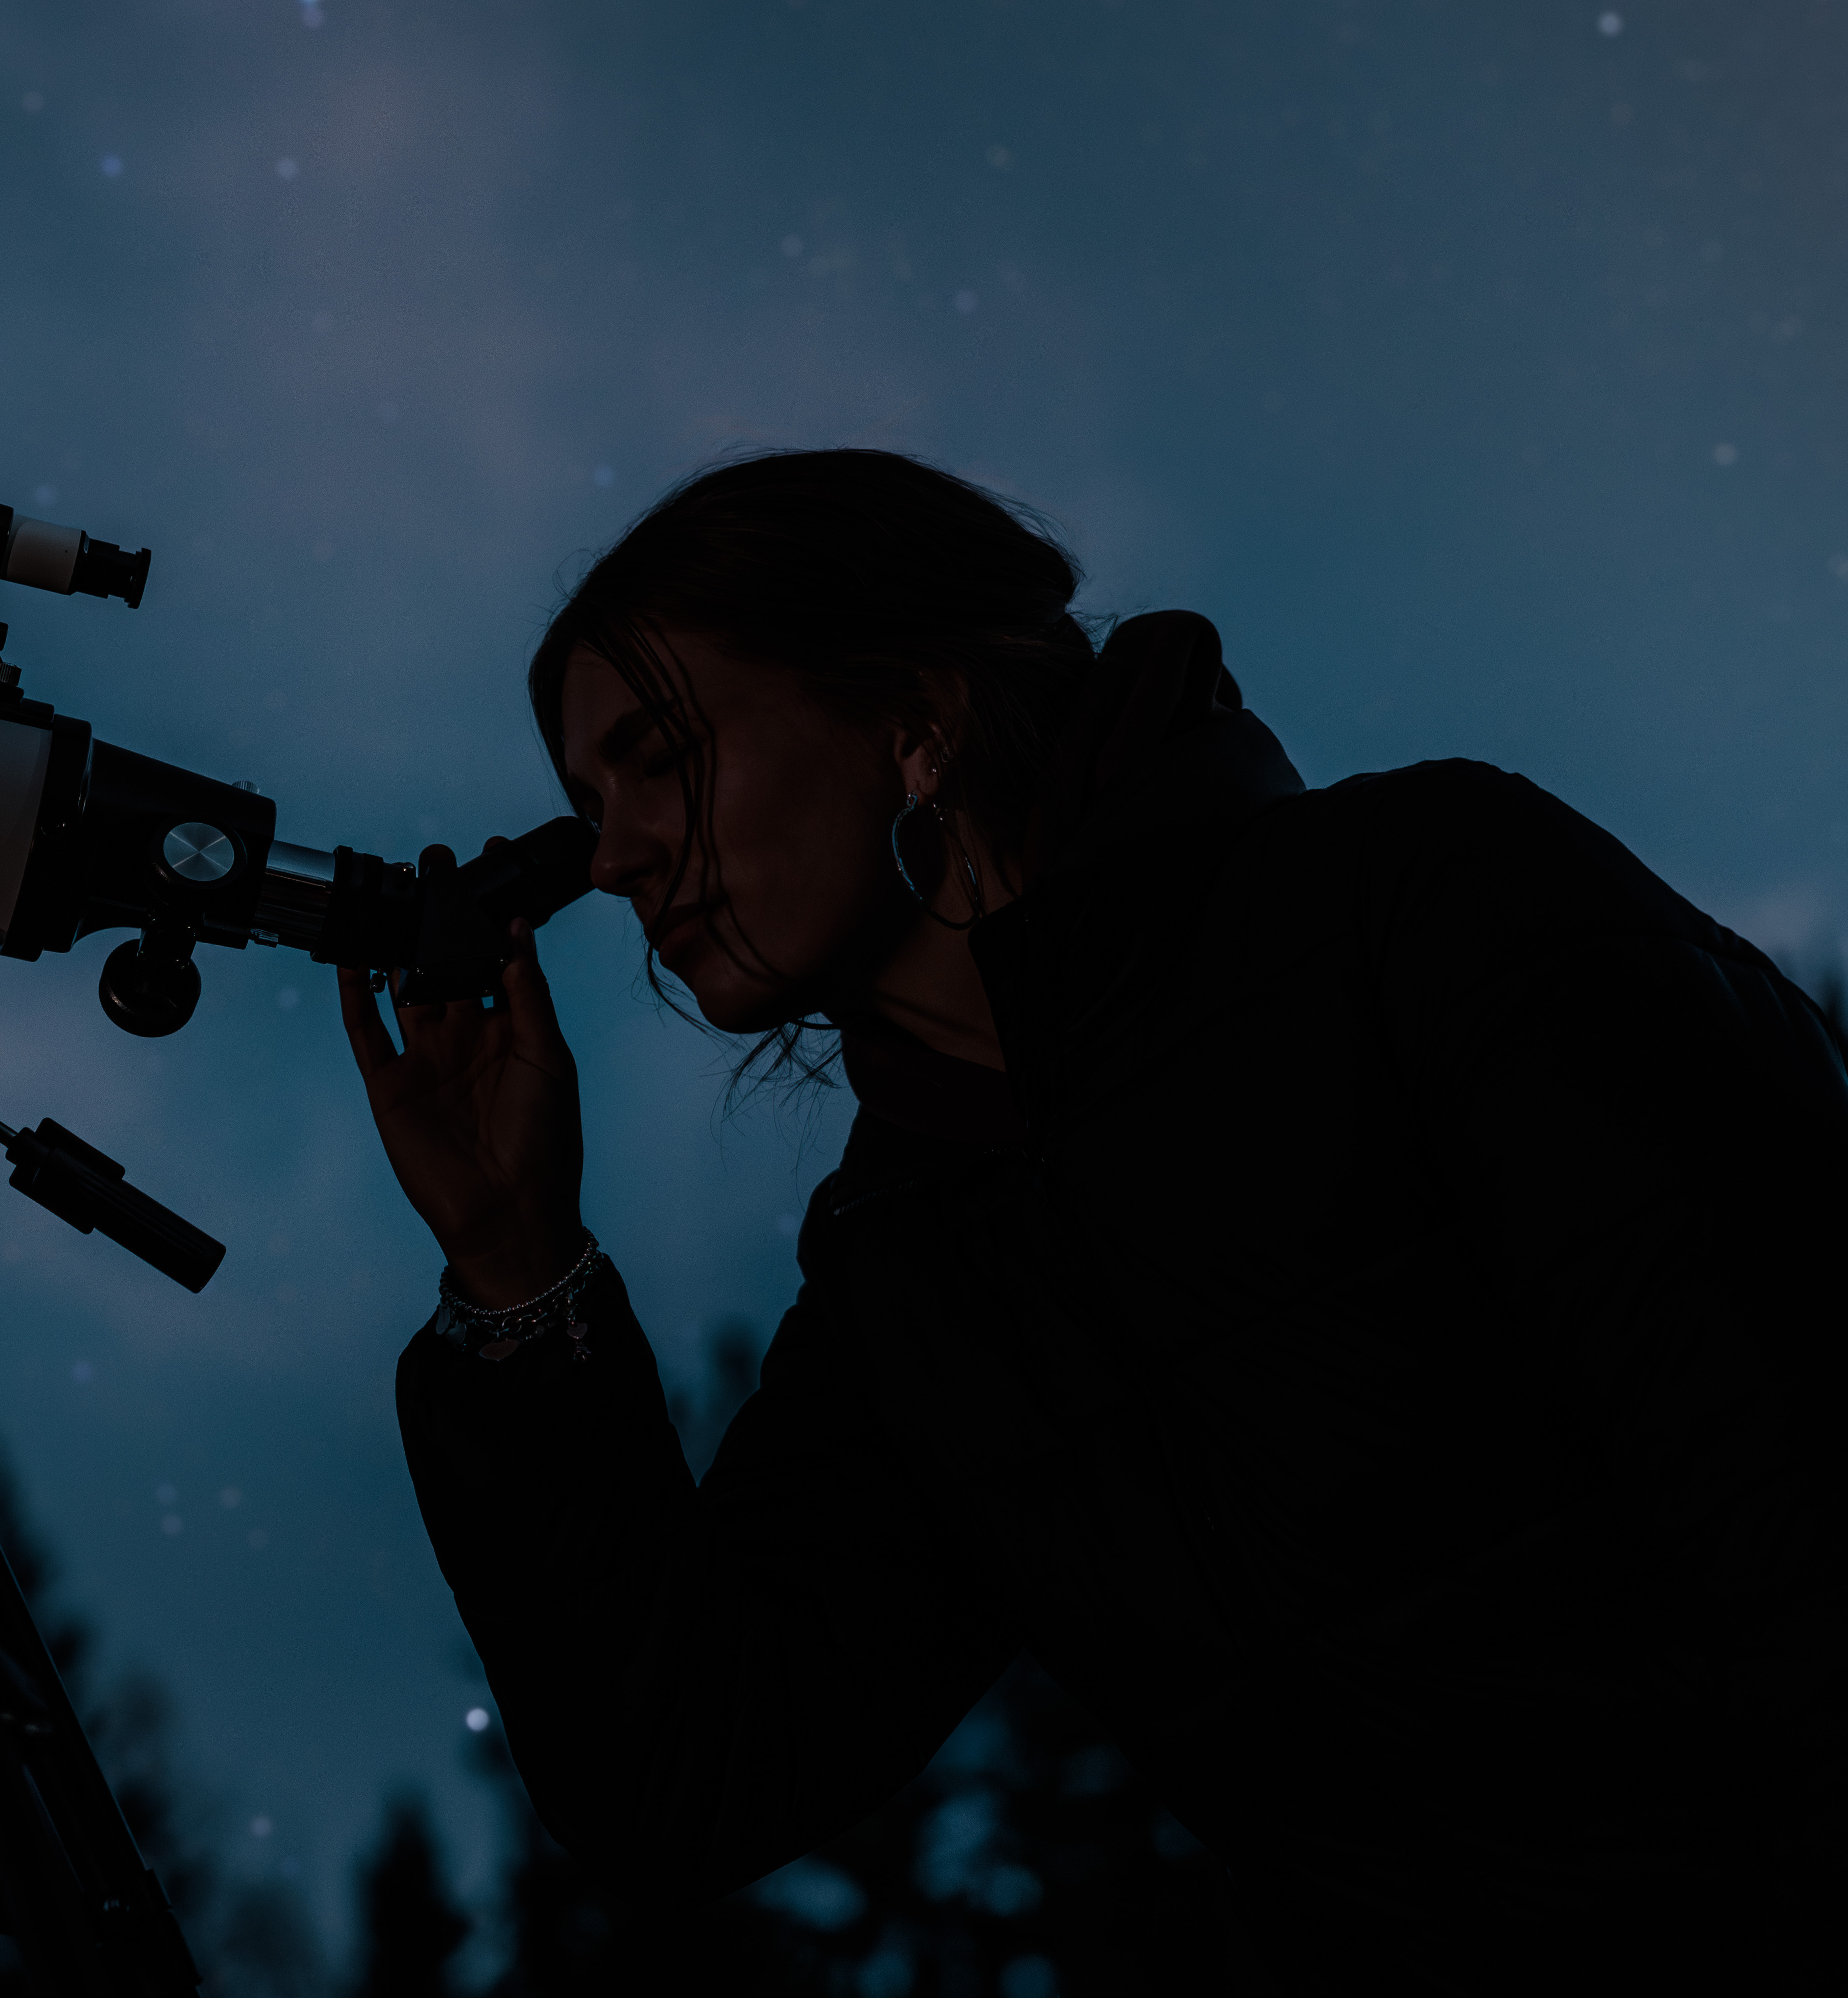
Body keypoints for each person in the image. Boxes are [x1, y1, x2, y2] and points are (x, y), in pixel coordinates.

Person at [338, 449, 1844, 1992]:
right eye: (587, 809)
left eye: (661, 758)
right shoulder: (907, 1268)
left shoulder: (1422, 904)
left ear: (915, 718)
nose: (612, 859)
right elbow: (691, 1782)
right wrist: (514, 1265)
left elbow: (1799, 1473)